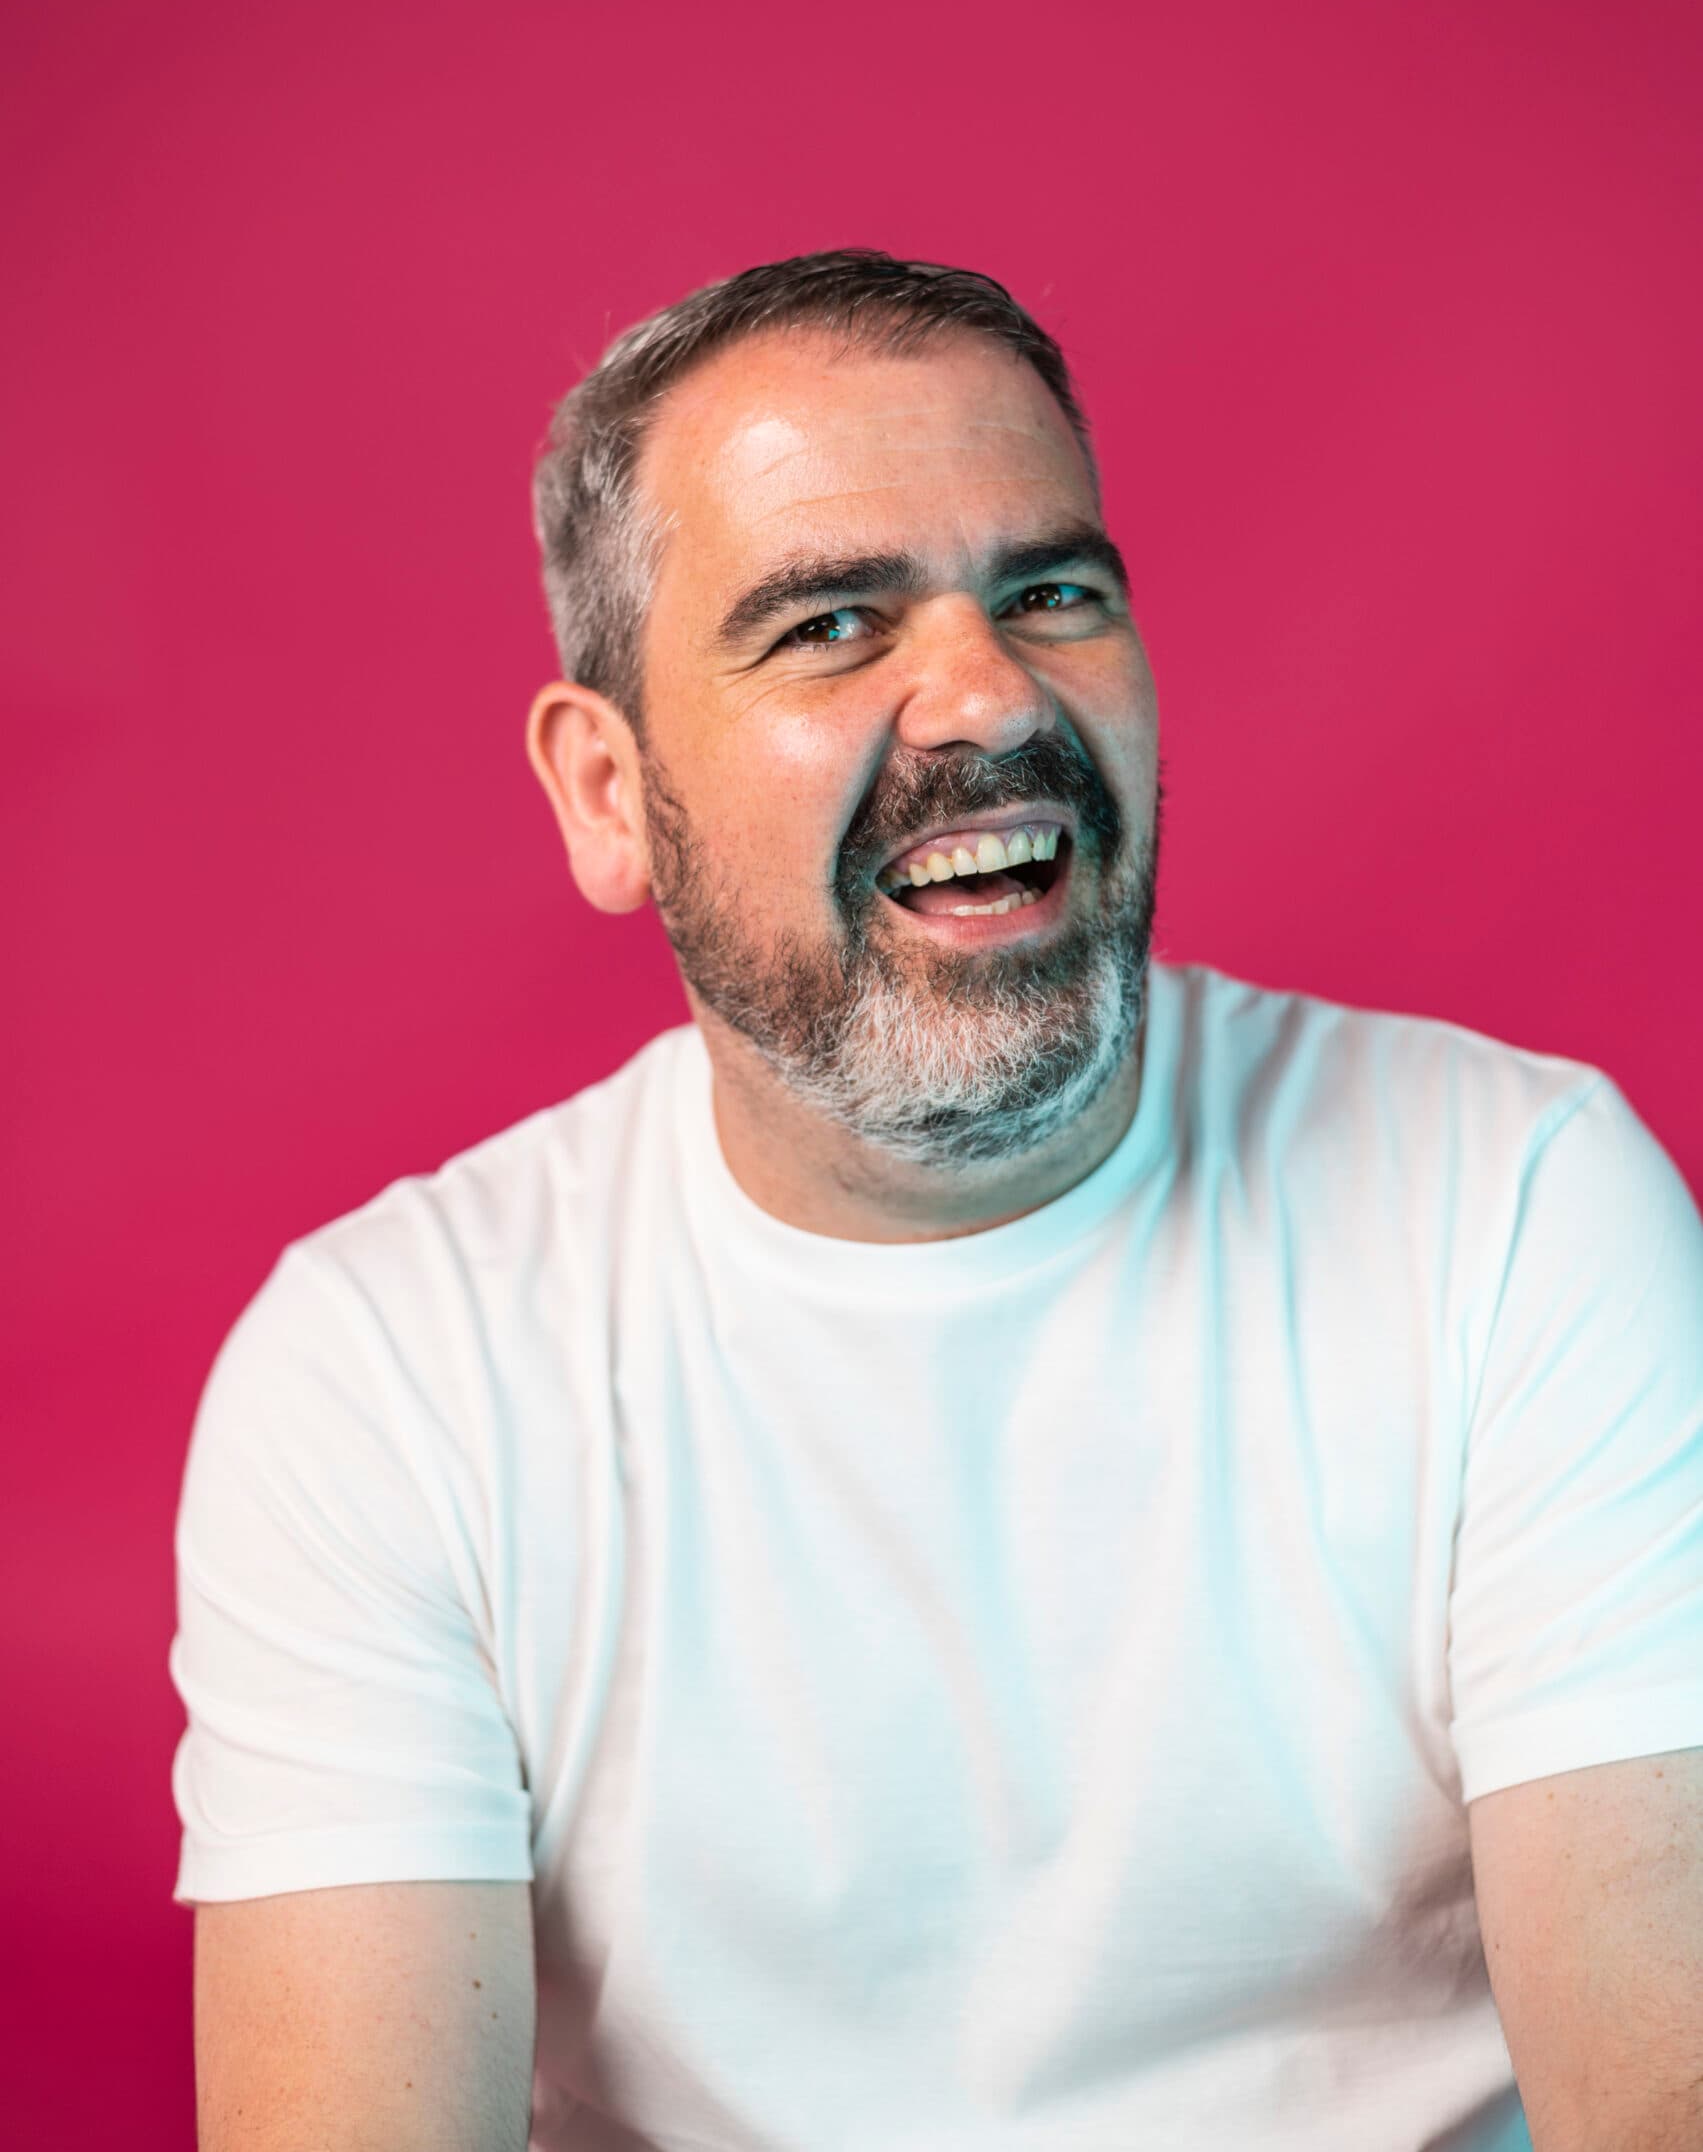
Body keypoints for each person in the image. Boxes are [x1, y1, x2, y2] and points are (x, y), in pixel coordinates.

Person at [170, 250, 1703, 2152]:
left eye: (1053, 594)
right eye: (830, 626)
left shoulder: (1521, 1212)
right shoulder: (386, 1377)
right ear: (610, 794)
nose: (987, 694)